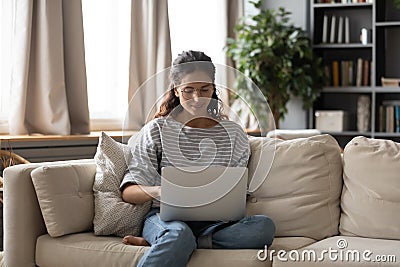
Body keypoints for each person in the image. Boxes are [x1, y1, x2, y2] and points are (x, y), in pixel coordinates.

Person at [120, 50, 275, 267]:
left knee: (263, 227)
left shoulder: (233, 133)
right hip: (166, 219)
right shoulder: (157, 130)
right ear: (176, 89)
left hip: (215, 224)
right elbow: (128, 192)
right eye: (188, 90)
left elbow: (239, 191)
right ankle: (173, 240)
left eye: (204, 89)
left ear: (213, 87)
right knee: (177, 234)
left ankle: (182, 243)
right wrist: (159, 191)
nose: (196, 98)